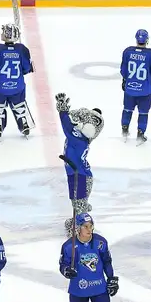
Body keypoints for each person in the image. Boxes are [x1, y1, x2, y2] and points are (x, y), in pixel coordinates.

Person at [56, 93, 104, 235]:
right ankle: (77, 221)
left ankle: (81, 228)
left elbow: (67, 127)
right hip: (77, 174)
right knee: (76, 202)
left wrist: (63, 111)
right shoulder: (82, 136)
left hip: (80, 176)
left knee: (79, 204)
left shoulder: (79, 138)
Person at [120, 29, 151, 145]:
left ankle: (124, 129)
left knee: (127, 109)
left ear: (136, 39)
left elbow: (123, 72)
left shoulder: (127, 52)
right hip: (145, 91)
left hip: (130, 89)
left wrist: (125, 81)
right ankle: (140, 134)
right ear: (147, 40)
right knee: (143, 112)